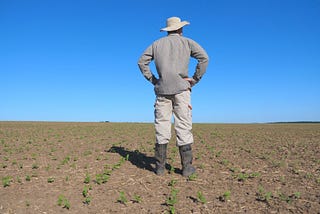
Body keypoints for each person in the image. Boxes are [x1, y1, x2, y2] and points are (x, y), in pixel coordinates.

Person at [138, 17, 209, 177]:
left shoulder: (156, 44)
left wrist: (154, 80)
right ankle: (186, 168)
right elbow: (204, 59)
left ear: (167, 30)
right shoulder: (187, 42)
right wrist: (194, 79)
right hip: (182, 90)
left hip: (162, 90)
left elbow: (142, 62)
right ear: (180, 29)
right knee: (183, 126)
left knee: (162, 126)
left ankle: (160, 168)